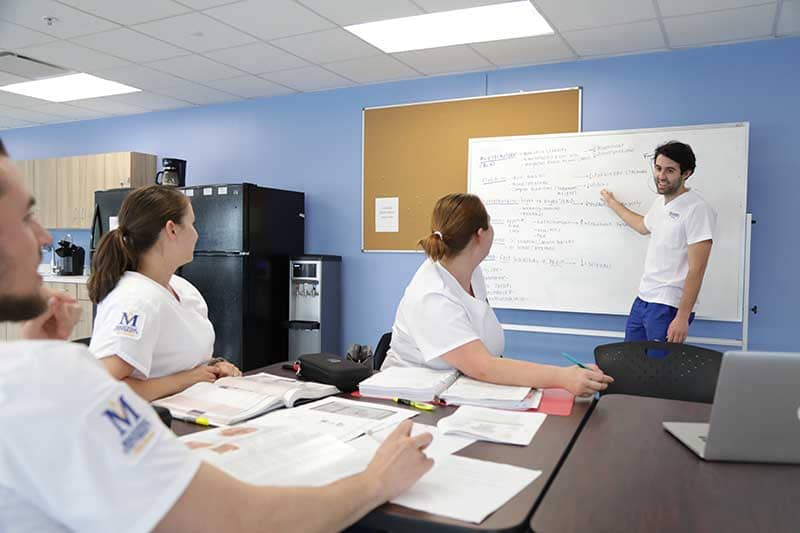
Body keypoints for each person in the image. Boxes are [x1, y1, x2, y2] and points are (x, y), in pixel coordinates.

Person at [0, 138, 434, 532]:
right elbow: (239, 520)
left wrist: (44, 355)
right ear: (170, 230)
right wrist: (375, 482)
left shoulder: (40, 374)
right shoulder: (48, 379)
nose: (43, 236)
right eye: (25, 217)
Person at [382, 193, 614, 397]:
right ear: (480, 234)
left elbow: (484, 358)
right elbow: (482, 366)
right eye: (490, 223)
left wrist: (567, 376)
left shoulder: (471, 272)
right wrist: (563, 377)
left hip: (458, 389)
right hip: (412, 397)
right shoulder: (432, 295)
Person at [87, 185, 240, 401]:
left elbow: (175, 358)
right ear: (172, 230)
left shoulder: (182, 288)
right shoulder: (136, 299)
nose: (196, 234)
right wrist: (186, 379)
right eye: (192, 224)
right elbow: (103, 388)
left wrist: (214, 367)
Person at [600, 141, 716, 345]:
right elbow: (642, 226)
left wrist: (681, 317)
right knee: (631, 364)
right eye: (658, 168)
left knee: (658, 371)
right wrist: (612, 204)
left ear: (686, 173)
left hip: (668, 305)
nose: (661, 176)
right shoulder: (660, 203)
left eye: (670, 170)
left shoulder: (697, 209)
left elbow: (697, 269)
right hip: (643, 299)